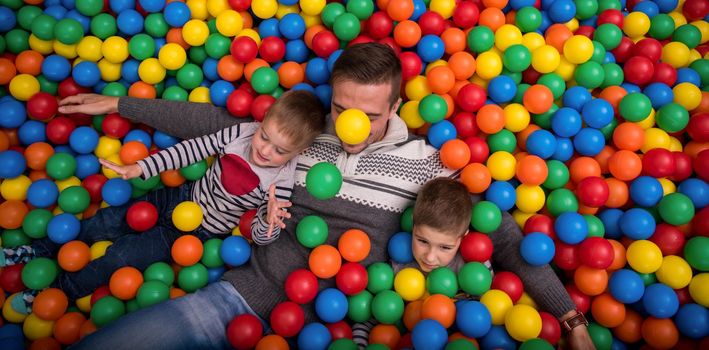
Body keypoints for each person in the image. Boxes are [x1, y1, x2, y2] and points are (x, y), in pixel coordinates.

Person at [60, 43, 594, 349]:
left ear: (396, 105)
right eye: (342, 108)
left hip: (361, 319)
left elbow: (504, 237)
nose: (352, 123)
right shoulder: (306, 136)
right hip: (252, 294)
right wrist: (119, 105)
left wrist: (570, 319)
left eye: (370, 112)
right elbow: (219, 122)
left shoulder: (429, 164)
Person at [1, 90, 326, 316]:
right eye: (265, 136)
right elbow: (193, 150)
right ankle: (38, 249)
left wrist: (269, 221)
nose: (265, 150)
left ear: (296, 153)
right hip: (178, 196)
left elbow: (258, 234)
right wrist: (142, 167)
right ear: (263, 120)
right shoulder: (242, 134)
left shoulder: (281, 183)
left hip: (194, 233)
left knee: (122, 258)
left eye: (279, 150)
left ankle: (56, 290)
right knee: (107, 220)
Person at [351, 177, 494, 347]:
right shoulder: (398, 269)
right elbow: (370, 318)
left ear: (463, 238)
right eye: (422, 241)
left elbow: (486, 310)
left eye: (445, 247)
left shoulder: (474, 269)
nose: (430, 257)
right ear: (413, 226)